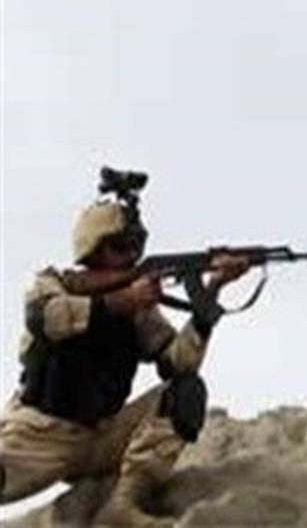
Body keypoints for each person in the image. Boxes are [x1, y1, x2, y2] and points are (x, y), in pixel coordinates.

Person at [0, 172, 248, 526]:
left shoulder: (138, 310)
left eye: (136, 248)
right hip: (40, 438)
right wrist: (125, 300)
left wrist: (211, 295)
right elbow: (49, 318)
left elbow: (179, 364)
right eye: (120, 247)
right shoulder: (53, 285)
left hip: (101, 437)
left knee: (184, 393)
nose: (130, 256)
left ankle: (123, 505)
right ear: (92, 249)